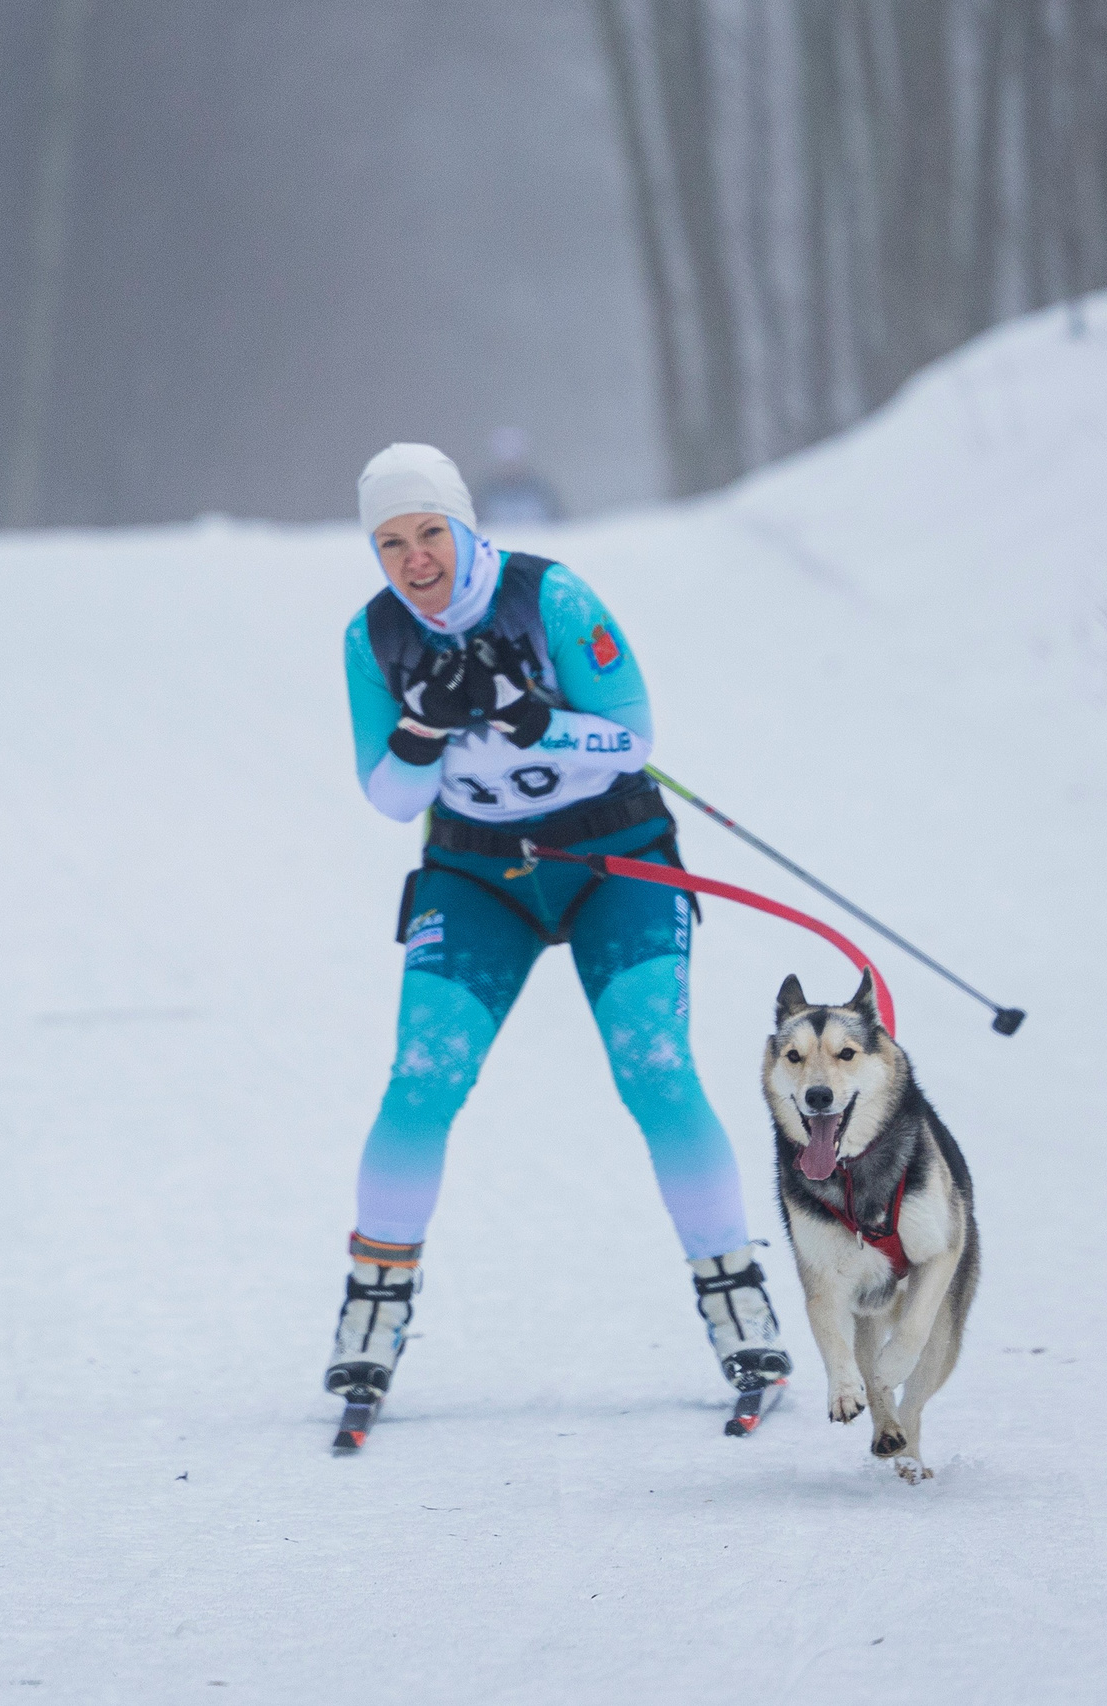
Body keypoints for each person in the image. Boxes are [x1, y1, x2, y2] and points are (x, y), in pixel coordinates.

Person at [325, 442, 789, 1413]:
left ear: (463, 524)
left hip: (609, 859)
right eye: (389, 542)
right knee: (422, 1080)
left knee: (655, 1068)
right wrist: (420, 731)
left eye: (428, 533)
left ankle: (736, 1297)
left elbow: (633, 734)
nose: (413, 559)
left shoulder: (551, 598)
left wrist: (524, 714)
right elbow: (385, 791)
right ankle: (373, 1304)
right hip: (475, 873)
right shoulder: (373, 640)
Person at [469, 425, 564, 526]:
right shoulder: (485, 494)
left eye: (514, 462)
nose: (510, 468)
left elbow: (558, 523)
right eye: (506, 463)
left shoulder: (541, 491)